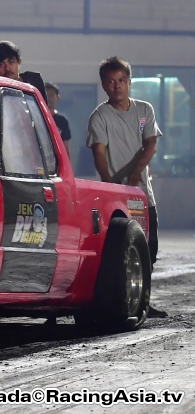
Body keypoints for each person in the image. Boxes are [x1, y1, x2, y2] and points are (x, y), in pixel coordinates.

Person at [86, 57, 166, 318]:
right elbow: (99, 152)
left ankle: (143, 300)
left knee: (148, 249)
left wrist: (135, 173)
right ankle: (120, 301)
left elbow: (150, 142)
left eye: (121, 80)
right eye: (110, 81)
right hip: (117, 199)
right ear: (103, 85)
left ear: (129, 82)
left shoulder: (144, 111)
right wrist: (109, 184)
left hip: (143, 194)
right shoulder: (100, 117)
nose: (116, 85)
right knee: (118, 251)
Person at [45, 82, 71, 156]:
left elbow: (66, 149)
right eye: (46, 95)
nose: (48, 98)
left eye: (51, 95)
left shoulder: (62, 121)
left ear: (57, 98)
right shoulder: (37, 118)